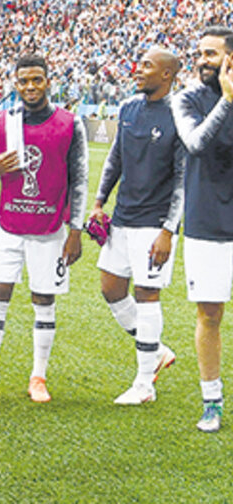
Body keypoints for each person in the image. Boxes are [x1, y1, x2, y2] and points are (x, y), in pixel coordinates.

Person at [0, 54, 88, 404]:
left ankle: (39, 377)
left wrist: (75, 230)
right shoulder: (5, 120)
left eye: (37, 80)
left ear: (49, 81)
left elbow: (78, 181)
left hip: (49, 228)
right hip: (9, 224)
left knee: (43, 299)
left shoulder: (69, 123)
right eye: (24, 81)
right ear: (15, 84)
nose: (31, 87)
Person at [89, 47, 183, 405]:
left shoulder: (179, 114)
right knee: (111, 289)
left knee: (147, 294)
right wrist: (99, 203)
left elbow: (183, 179)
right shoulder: (128, 107)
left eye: (147, 65)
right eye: (139, 63)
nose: (138, 69)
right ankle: (156, 350)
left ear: (168, 75)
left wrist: (168, 230)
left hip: (154, 222)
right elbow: (116, 158)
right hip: (123, 216)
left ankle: (145, 384)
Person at [171, 26, 233, 433]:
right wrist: (228, 100)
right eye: (200, 53)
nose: (202, 61)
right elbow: (195, 143)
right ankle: (212, 400)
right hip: (207, 220)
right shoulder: (187, 98)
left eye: (211, 54)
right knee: (209, 313)